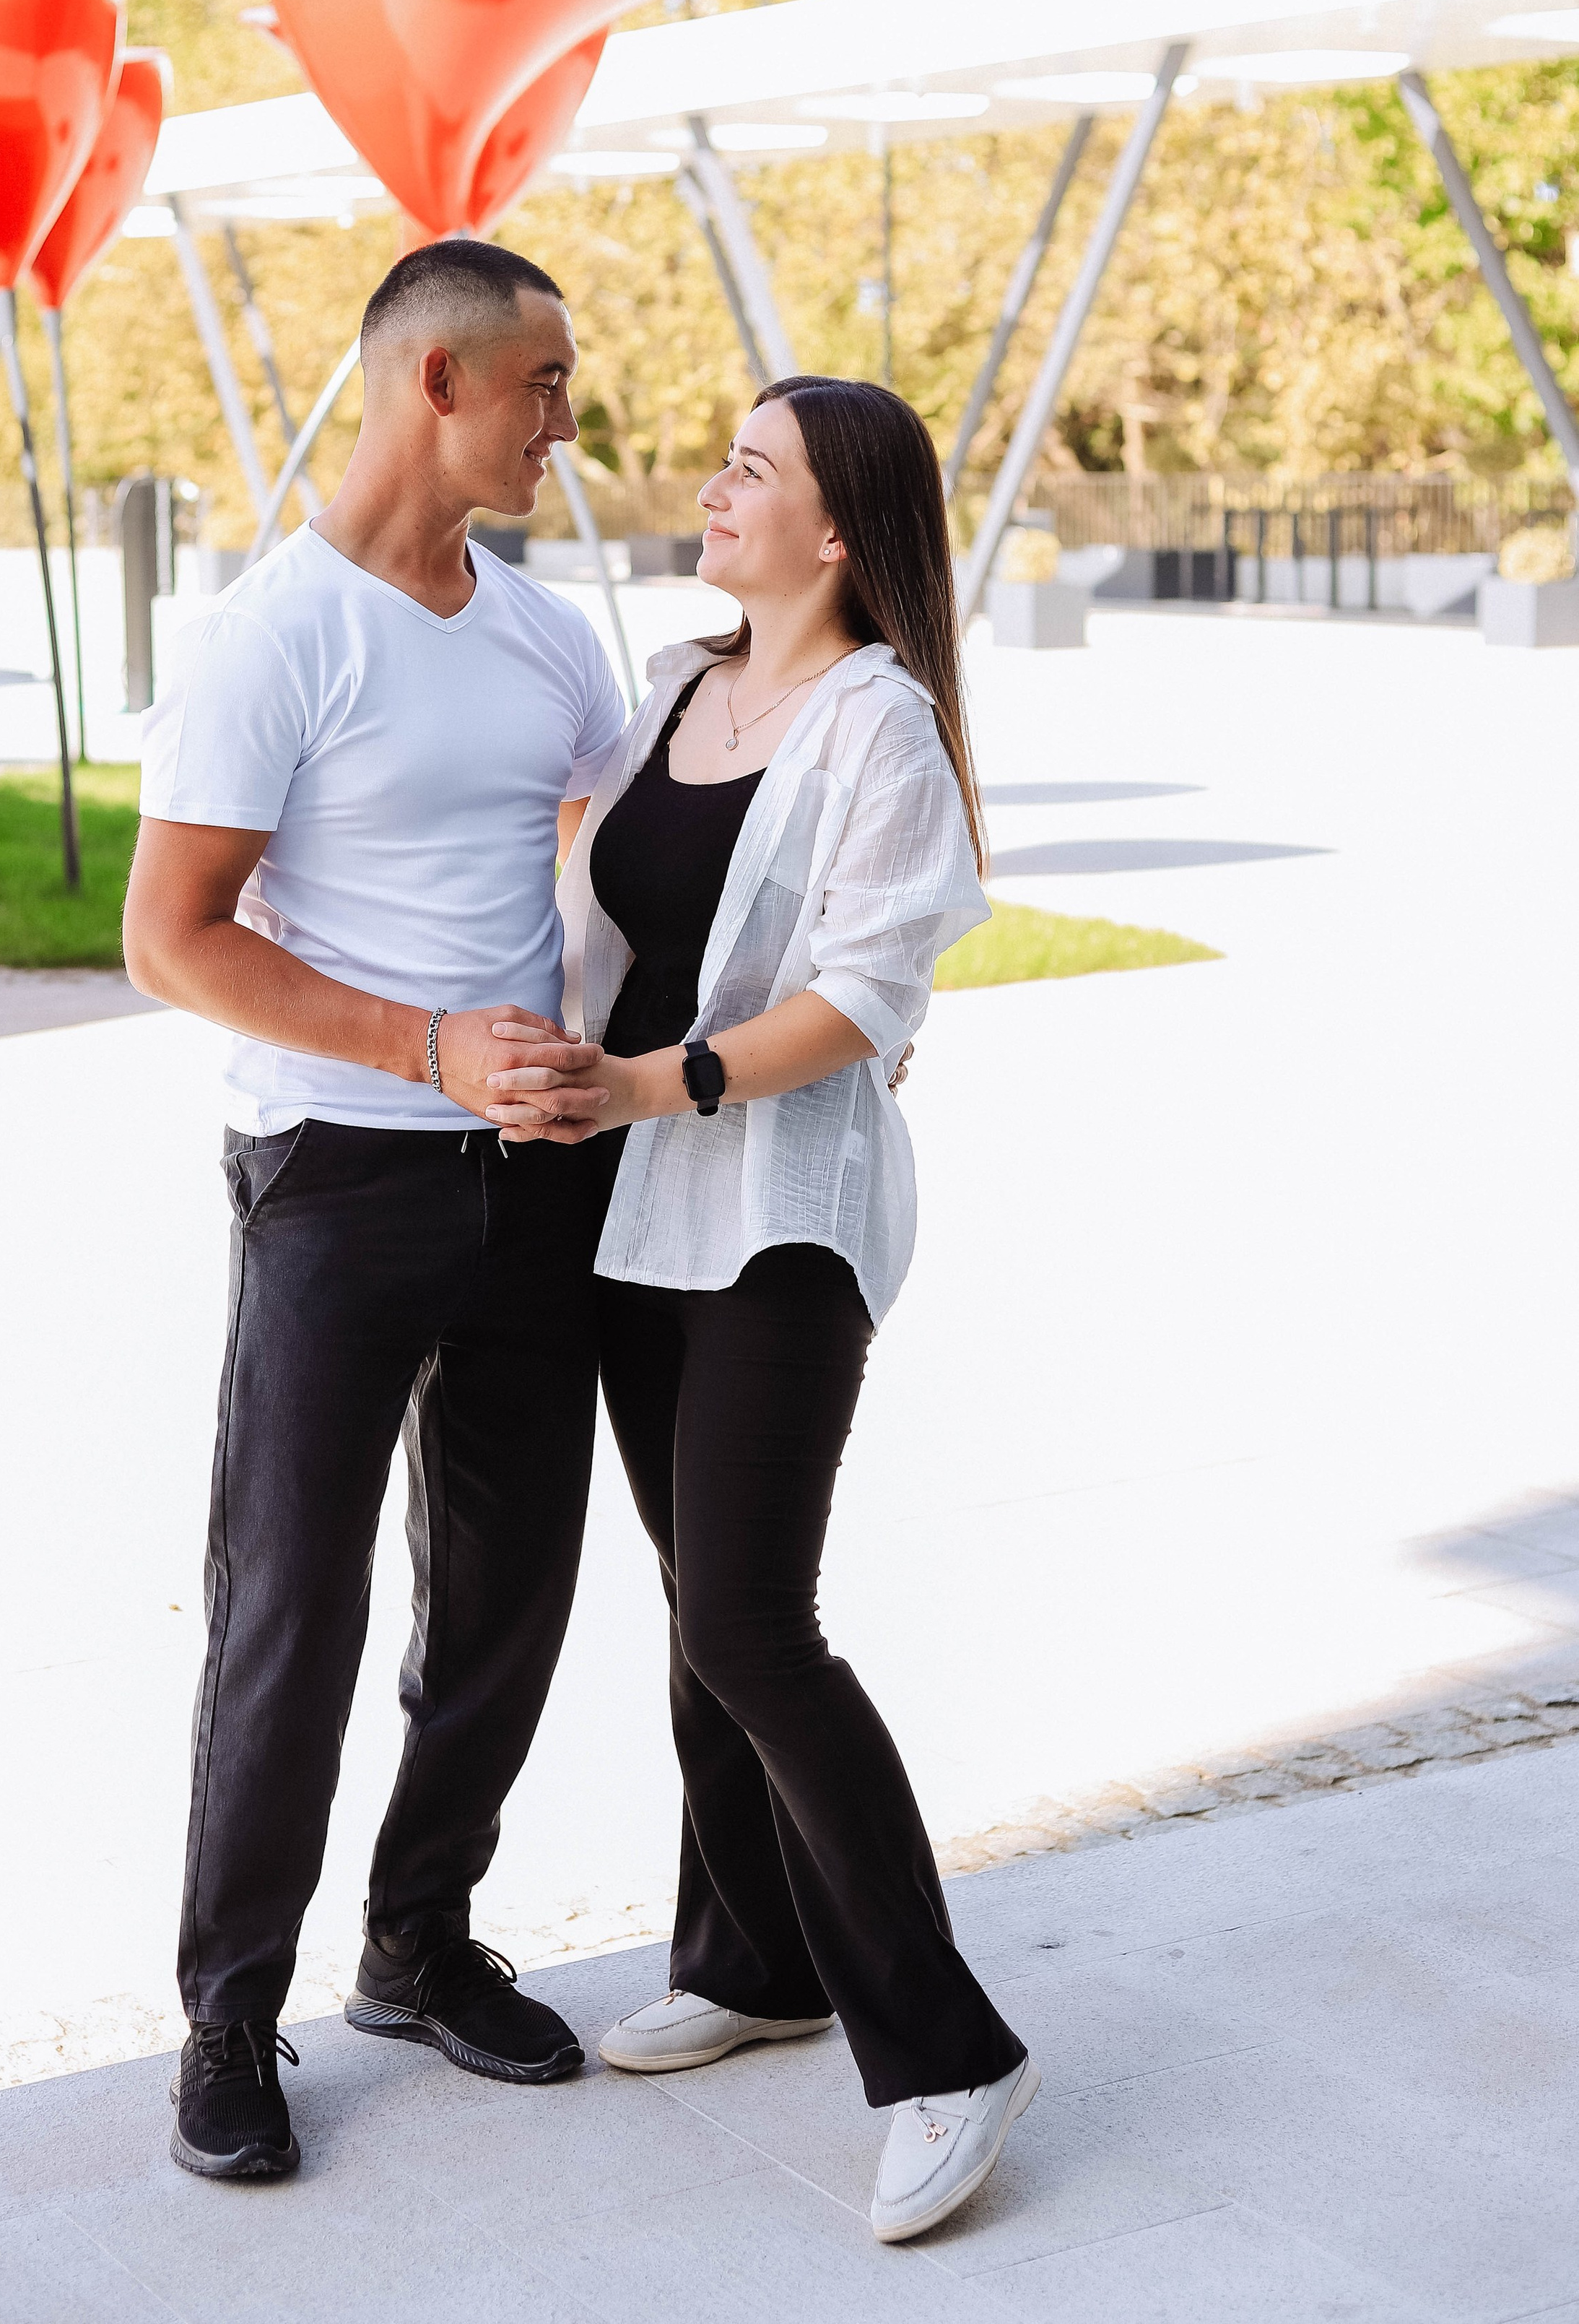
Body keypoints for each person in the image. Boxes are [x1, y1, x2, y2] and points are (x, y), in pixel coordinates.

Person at [484, 376, 1038, 2246]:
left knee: (751, 1616)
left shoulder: (878, 724)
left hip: (779, 1217)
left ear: (836, 534)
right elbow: (610, 918)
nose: (712, 487)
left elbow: (871, 998)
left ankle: (947, 2051)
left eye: (754, 470)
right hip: (627, 1212)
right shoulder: (674, 688)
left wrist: (656, 1085)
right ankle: (757, 1958)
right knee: (697, 1609)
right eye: (722, 457)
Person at [123, 238, 629, 2181]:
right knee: (293, 1612)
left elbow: (607, 848)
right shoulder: (277, 638)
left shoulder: (543, 633)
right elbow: (170, 940)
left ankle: (418, 1943)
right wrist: (427, 1051)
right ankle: (228, 2019)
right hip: (335, 1181)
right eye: (547, 385)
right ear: (439, 382)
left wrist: (680, 1030)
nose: (566, 426)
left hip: (534, 1178)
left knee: (506, 1601)